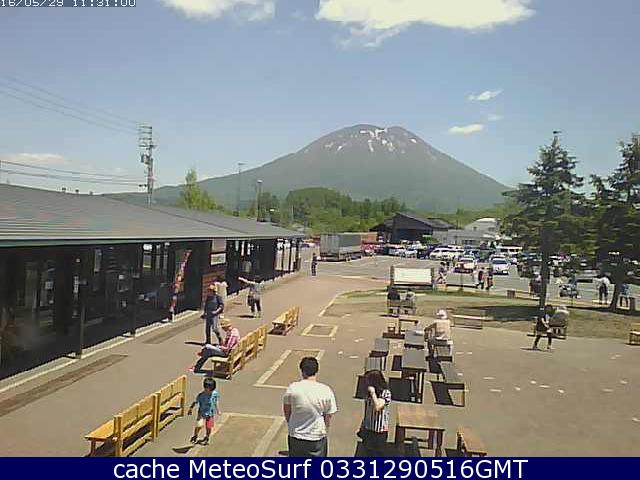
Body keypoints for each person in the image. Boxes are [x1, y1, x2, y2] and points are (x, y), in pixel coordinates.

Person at [283, 357, 338, 457]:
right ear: (317, 371)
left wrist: (291, 423)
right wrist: (324, 429)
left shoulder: (293, 388)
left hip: (296, 435)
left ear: (302, 371)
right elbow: (328, 415)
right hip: (316, 436)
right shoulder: (325, 390)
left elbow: (287, 410)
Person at [358, 370, 392, 457]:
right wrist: (362, 425)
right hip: (368, 427)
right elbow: (367, 410)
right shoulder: (368, 394)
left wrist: (373, 393)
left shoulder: (385, 393)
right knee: (368, 453)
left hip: (379, 430)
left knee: (378, 454)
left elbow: (378, 407)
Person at [188, 377, 220, 445]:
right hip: (201, 413)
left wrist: (218, 410)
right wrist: (190, 409)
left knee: (209, 427)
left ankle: (207, 437)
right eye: (206, 389)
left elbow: (216, 401)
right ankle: (195, 435)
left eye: (210, 390)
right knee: (199, 425)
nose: (208, 391)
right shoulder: (201, 395)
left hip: (210, 414)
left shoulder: (215, 394)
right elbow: (195, 402)